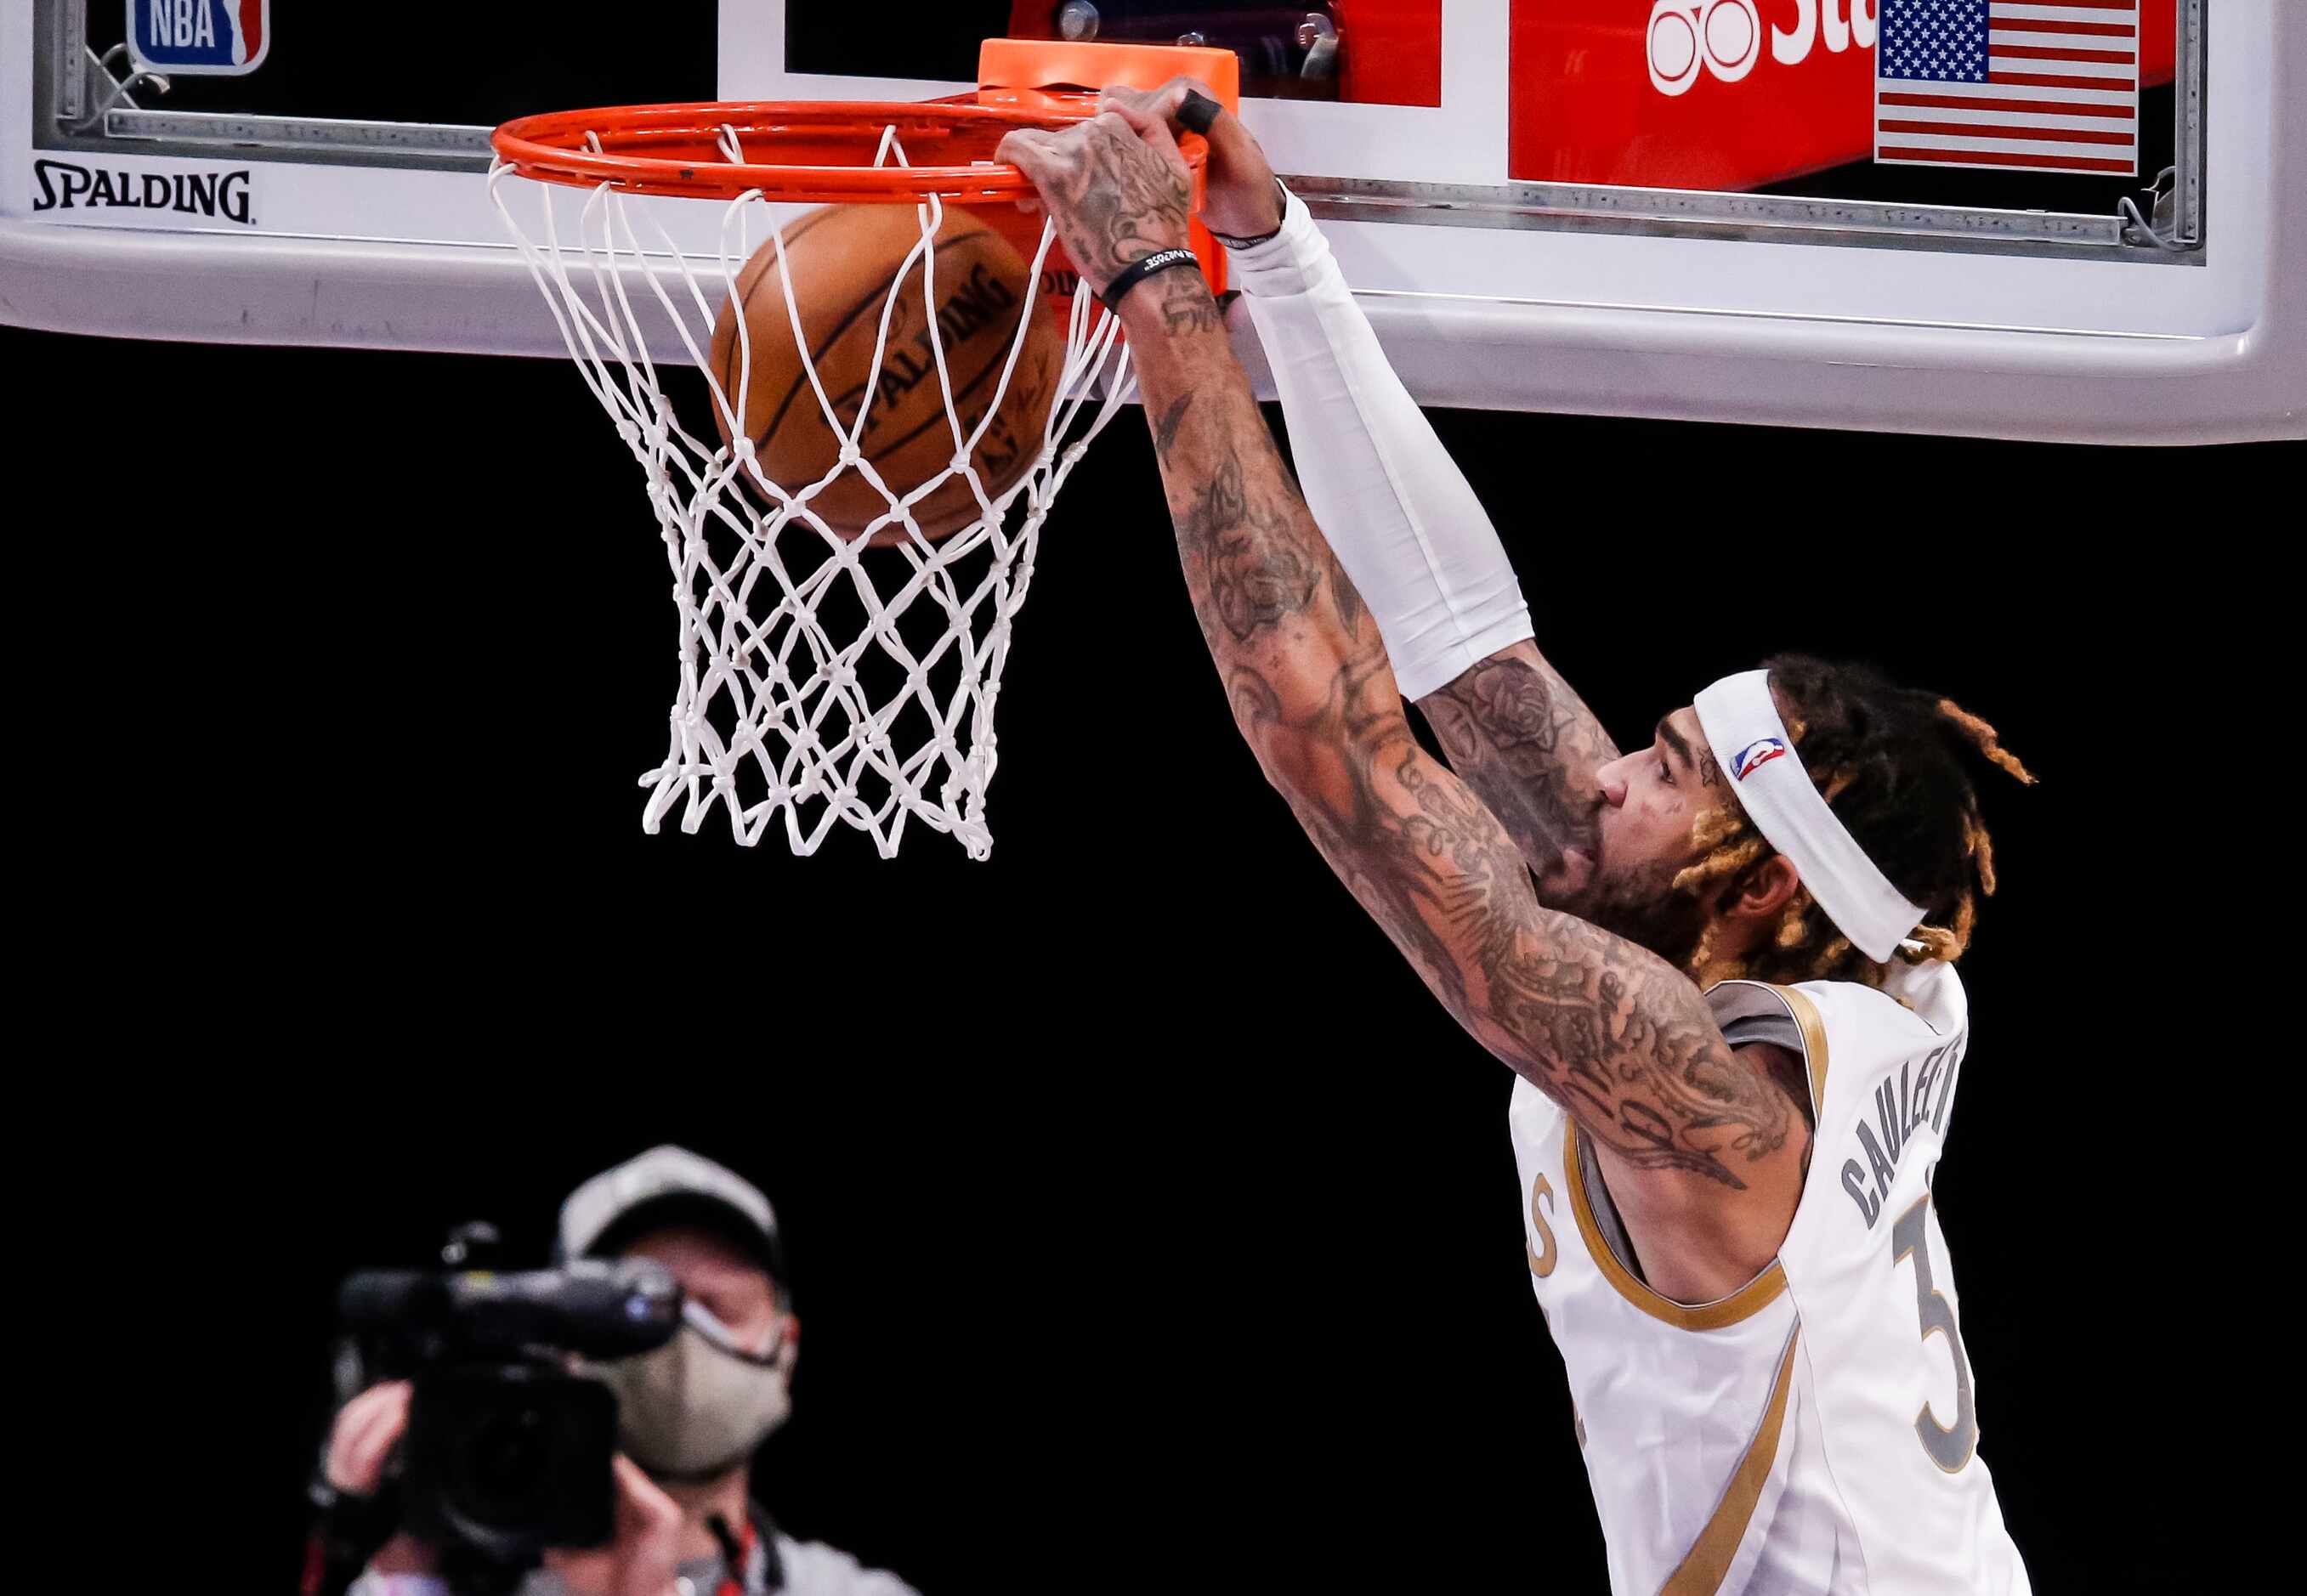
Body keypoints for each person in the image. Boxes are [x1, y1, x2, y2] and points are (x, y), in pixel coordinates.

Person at [994, 87, 2037, 1593]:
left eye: (1663, 768)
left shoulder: (1719, 1108)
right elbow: (1466, 651)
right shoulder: (1831, 968)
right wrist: (1265, 252)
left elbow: (1324, 741)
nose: (1604, 773)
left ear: (1751, 886)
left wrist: (1153, 281)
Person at [320, 1146, 920, 1596]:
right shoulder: (436, 1579)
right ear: (561, 1343)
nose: (684, 1337)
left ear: (785, 1347)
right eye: (637, 1311)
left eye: (718, 1308)